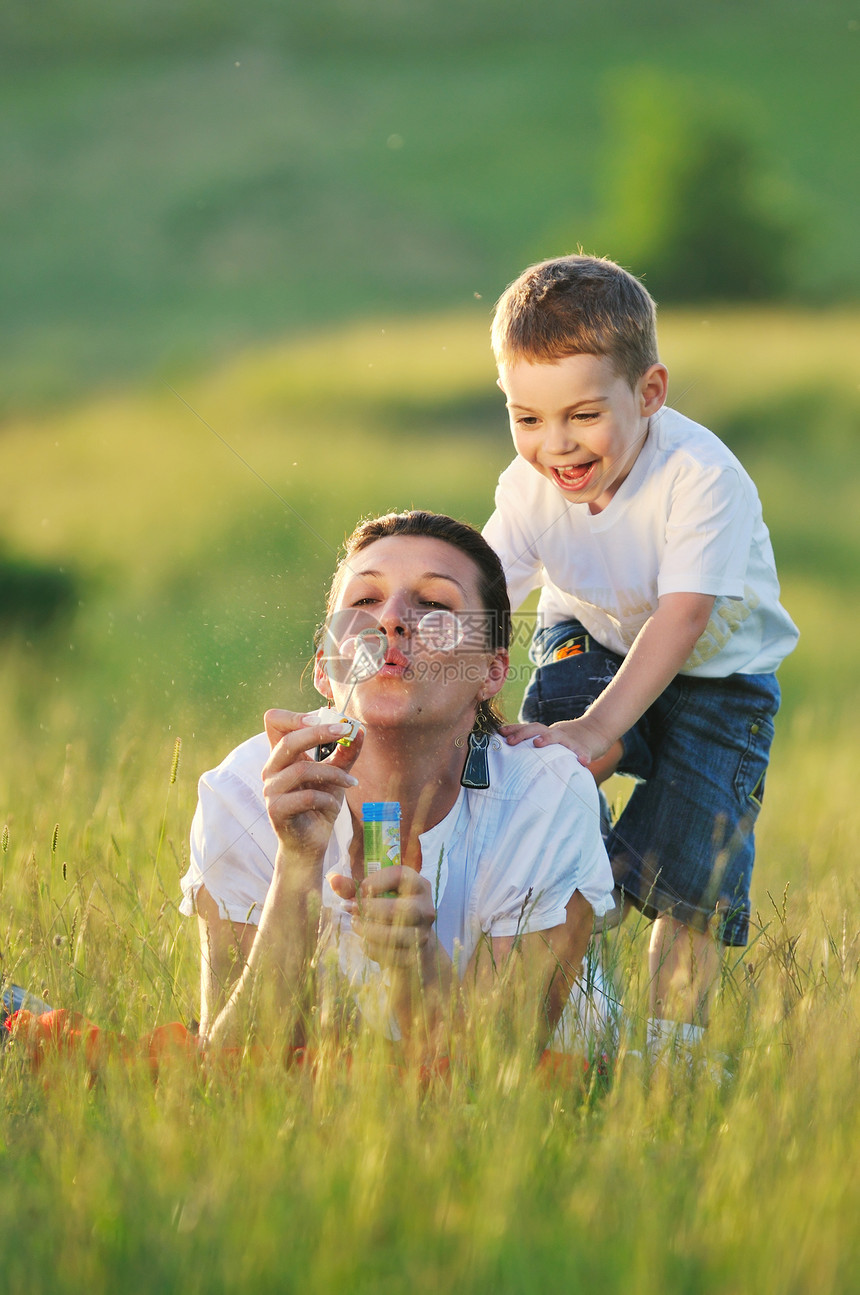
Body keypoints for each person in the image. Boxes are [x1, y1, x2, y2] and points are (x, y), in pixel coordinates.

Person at [483, 254, 799, 1058]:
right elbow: (484, 594)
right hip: (588, 639)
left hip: (719, 681)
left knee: (696, 879)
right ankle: (570, 882)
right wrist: (422, 655)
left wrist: (601, 726)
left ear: (649, 394)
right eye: (527, 418)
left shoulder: (700, 476)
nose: (555, 446)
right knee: (557, 743)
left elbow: (683, 616)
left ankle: (670, 1053)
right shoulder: (526, 491)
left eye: (583, 416)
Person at [180, 511, 615, 1061]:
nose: (390, 619)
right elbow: (233, 1072)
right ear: (323, 667)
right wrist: (297, 863)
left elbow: (496, 1080)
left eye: (435, 605)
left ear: (492, 671)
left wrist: (417, 962)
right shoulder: (246, 790)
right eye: (363, 601)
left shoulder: (544, 797)